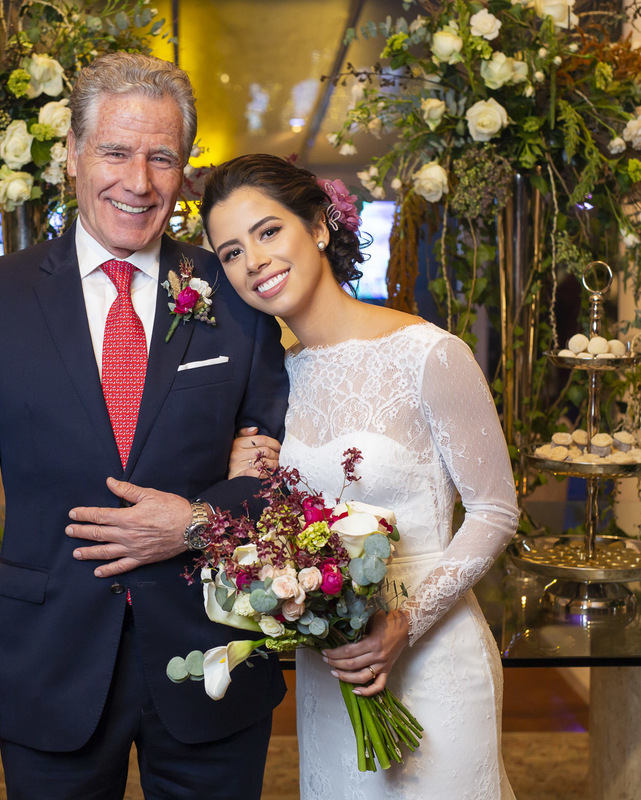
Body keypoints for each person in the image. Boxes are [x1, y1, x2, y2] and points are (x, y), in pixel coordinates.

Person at [0, 54, 289, 799]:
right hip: (48, 661)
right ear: (73, 155)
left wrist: (196, 523)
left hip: (214, 653)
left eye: (162, 158)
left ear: (184, 172)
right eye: (116, 152)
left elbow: (285, 478)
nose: (138, 182)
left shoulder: (234, 292)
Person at [202, 153, 520, 799]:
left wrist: (405, 620)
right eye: (231, 252)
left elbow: (495, 510)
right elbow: (280, 524)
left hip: (434, 657)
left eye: (268, 231)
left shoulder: (429, 353)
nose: (254, 261)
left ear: (319, 226)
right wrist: (244, 482)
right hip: (333, 665)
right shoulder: (272, 382)